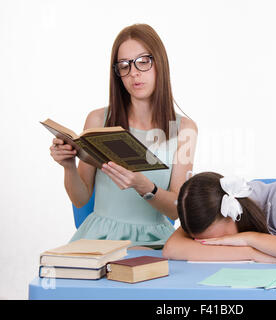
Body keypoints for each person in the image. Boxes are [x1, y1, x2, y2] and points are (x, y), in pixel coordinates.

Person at [50, 23, 198, 249]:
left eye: (143, 61)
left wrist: (145, 187)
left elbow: (176, 210)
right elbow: (80, 199)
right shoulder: (99, 120)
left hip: (155, 242)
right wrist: (68, 166)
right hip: (99, 239)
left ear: (159, 63)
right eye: (124, 65)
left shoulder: (184, 129)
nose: (134, 73)